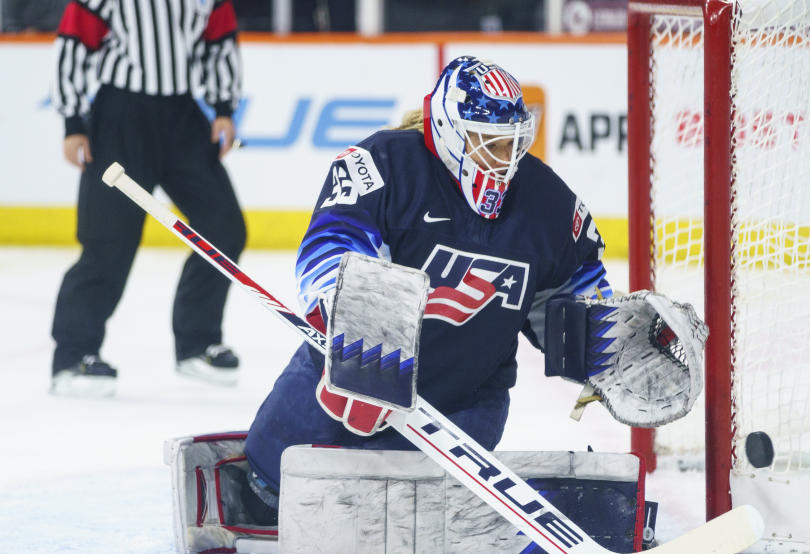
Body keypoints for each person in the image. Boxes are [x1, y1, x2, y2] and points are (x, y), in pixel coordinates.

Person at [239, 56, 615, 524]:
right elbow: (332, 246)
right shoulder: (386, 164)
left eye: (513, 145)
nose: (504, 161)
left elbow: (572, 305)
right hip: (340, 386)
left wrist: (612, 347)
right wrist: (362, 351)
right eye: (488, 144)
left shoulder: (550, 204)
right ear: (449, 131)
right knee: (266, 492)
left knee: (407, 519)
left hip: (462, 406)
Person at [50, 0, 246, 396]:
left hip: (182, 116)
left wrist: (224, 107)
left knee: (223, 227)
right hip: (120, 116)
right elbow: (72, 44)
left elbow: (220, 41)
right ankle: (73, 357)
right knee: (108, 240)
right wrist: (73, 121)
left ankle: (197, 343)